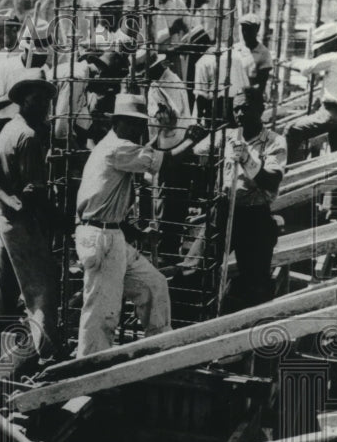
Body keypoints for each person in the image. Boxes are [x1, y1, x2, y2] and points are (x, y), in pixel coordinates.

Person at [74, 94, 204, 357]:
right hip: (100, 238)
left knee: (153, 284)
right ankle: (90, 367)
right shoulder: (116, 148)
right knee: (102, 309)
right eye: (131, 124)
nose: (137, 130)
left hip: (112, 233)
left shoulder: (119, 147)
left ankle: (158, 349)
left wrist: (137, 232)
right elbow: (164, 164)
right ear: (118, 122)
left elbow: (107, 202)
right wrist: (192, 139)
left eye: (139, 125)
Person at [0, 72, 60, 362]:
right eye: (37, 100)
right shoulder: (28, 137)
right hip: (23, 221)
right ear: (23, 101)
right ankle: (47, 354)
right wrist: (61, 221)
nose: (43, 105)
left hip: (3, 217)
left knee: (3, 291)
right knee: (42, 288)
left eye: (45, 99)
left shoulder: (8, 128)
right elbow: (36, 194)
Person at [215, 99, 287, 309]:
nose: (239, 113)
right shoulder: (225, 136)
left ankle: (253, 332)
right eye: (235, 108)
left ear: (260, 110)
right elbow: (195, 154)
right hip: (222, 211)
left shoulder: (274, 141)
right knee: (196, 269)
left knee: (256, 284)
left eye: (246, 108)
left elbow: (271, 180)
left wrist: (247, 159)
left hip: (254, 216)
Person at [284, 22, 337, 164]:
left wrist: (287, 62)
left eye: (321, 49)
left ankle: (285, 171)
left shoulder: (334, 57)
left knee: (292, 130)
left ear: (329, 44)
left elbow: (306, 67)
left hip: (330, 114)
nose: (320, 52)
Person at [145, 53, 199, 262]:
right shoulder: (168, 80)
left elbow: (170, 118)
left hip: (172, 147)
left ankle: (165, 253)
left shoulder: (165, 86)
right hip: (172, 143)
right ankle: (168, 249)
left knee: (167, 203)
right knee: (171, 203)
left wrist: (159, 115)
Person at [0, 21, 54, 121]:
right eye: (39, 56)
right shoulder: (5, 67)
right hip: (5, 125)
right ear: (27, 51)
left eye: (45, 55)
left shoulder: (45, 70)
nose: (43, 59)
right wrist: (18, 91)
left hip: (34, 126)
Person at [192, 28, 251, 126]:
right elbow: (246, 84)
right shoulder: (234, 54)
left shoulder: (202, 62)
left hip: (216, 109)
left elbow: (201, 96)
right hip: (238, 107)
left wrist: (197, 121)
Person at [238, 13, 273, 100]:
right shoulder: (235, 49)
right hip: (233, 96)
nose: (245, 33)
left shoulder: (263, 53)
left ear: (257, 30)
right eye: (243, 29)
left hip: (251, 98)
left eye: (249, 29)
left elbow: (261, 83)